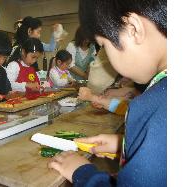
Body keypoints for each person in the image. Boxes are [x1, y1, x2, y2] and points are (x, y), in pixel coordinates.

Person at [48, 0, 167, 186]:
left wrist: (85, 174)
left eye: (104, 44)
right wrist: (127, 145)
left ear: (133, 29)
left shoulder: (156, 107)